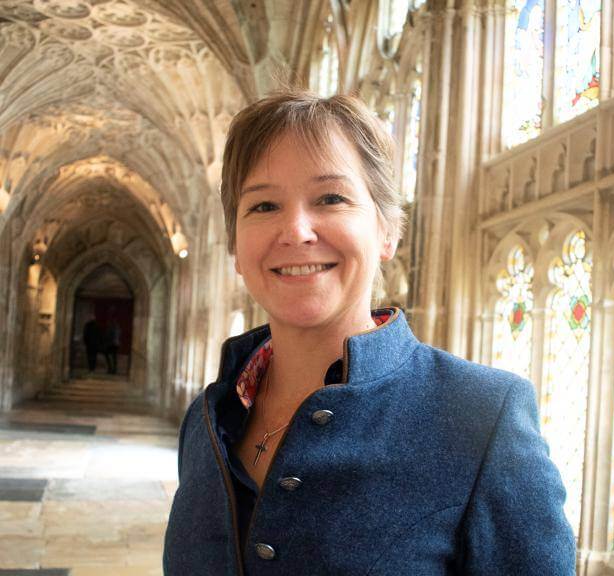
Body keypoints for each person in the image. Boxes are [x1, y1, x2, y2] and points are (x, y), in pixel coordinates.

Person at [163, 92, 576, 575]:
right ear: (235, 245)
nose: (296, 230)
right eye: (264, 205)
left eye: (331, 198)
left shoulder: (483, 418)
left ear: (387, 230)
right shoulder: (208, 418)